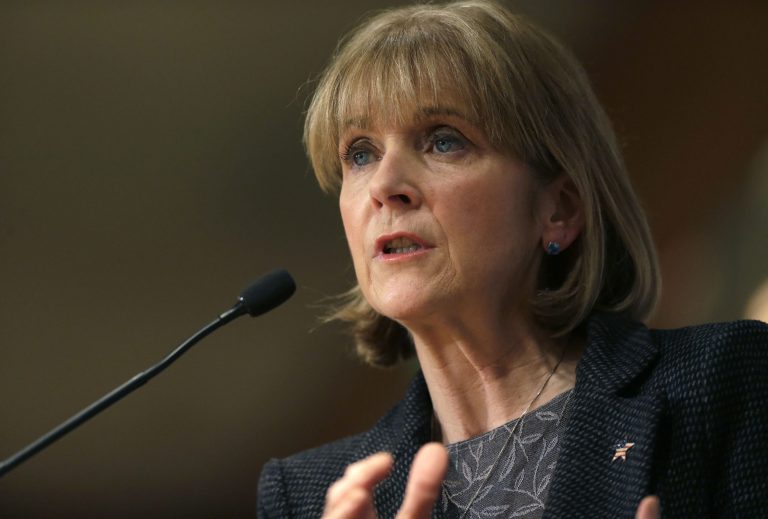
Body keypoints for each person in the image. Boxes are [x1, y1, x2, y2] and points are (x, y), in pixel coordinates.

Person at [257, 1, 768, 517]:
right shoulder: (305, 496)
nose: (386, 187)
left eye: (443, 141)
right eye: (361, 153)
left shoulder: (721, 382)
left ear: (559, 210)